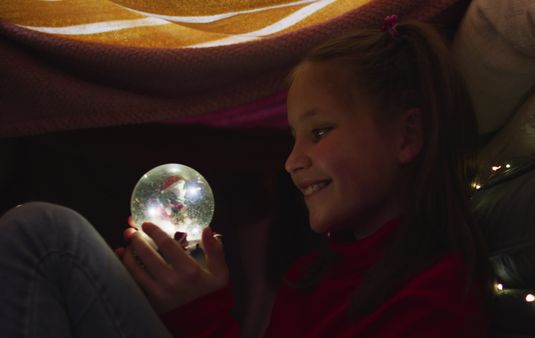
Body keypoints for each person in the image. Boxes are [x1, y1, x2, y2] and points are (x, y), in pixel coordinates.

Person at [0, 15, 488, 338]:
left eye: (319, 131)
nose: (292, 160)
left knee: (45, 237)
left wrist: (203, 312)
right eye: (293, 137)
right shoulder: (313, 276)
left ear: (406, 137)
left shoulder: (432, 299)